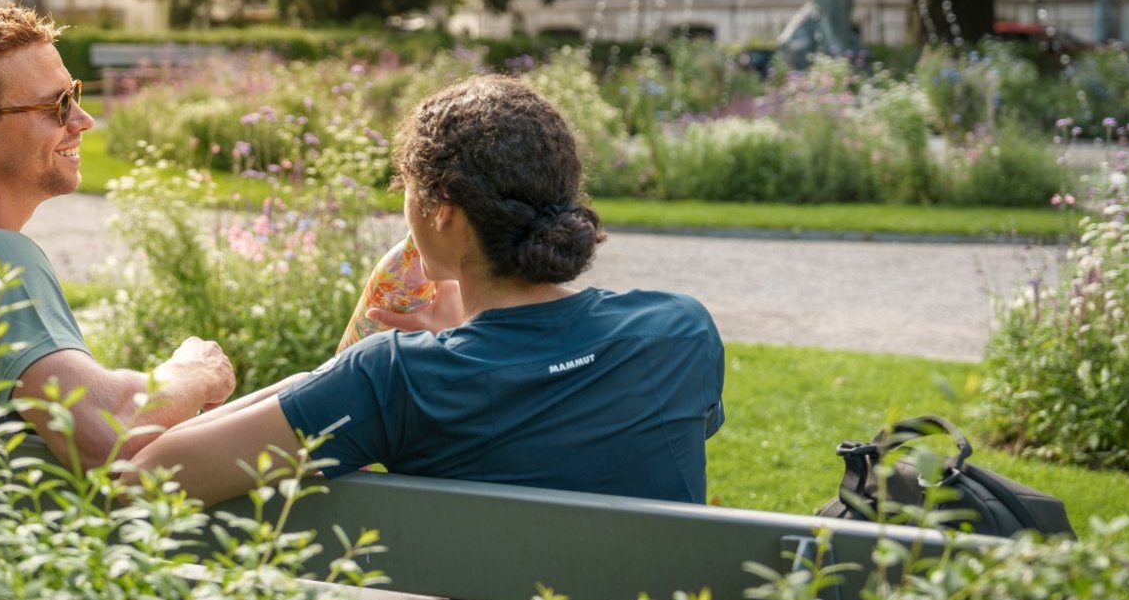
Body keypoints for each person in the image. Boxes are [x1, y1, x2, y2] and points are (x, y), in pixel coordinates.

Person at [132, 75, 724, 505]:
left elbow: (141, 482)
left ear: (444, 213)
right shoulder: (680, 330)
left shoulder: (392, 380)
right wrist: (467, 344)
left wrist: (199, 372)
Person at [0, 4, 236, 467]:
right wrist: (194, 373)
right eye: (57, 106)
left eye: (73, 94)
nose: (83, 120)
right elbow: (104, 432)